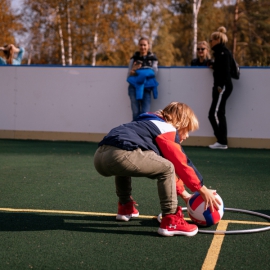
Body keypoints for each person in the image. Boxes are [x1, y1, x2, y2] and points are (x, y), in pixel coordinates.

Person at [94, 102, 221, 237]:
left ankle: (125, 207)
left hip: (100, 157)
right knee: (168, 168)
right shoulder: (166, 129)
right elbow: (181, 163)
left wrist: (185, 195)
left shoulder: (147, 122)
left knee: (144, 165)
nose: (187, 136)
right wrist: (201, 189)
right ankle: (171, 221)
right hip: (121, 155)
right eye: (187, 130)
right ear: (180, 123)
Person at [208, 27, 233, 150]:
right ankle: (221, 140)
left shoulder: (223, 53)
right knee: (216, 113)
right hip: (220, 86)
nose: (210, 42)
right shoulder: (221, 53)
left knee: (216, 113)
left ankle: (222, 141)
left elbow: (226, 71)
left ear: (217, 39)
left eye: (211, 40)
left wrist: (220, 86)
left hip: (221, 87)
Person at [127, 37, 158, 121]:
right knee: (136, 112)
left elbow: (155, 72)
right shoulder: (134, 58)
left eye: (144, 45)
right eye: (141, 45)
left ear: (148, 46)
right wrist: (134, 70)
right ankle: (134, 132)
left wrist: (142, 73)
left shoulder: (153, 58)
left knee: (145, 113)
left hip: (147, 88)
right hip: (134, 87)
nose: (142, 47)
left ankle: (143, 133)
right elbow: (128, 75)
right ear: (138, 46)